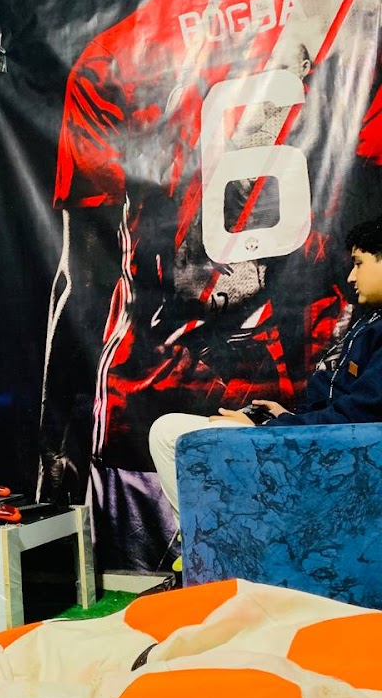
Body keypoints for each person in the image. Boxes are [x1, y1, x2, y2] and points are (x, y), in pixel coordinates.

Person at [39, 0, 382, 571]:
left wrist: (53, 441)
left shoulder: (111, 58)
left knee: (174, 595)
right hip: (311, 394)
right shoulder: (351, 10)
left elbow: (82, 279)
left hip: (155, 395)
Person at [149, 215, 382, 521]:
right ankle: (219, 540)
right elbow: (340, 409)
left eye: (359, 264)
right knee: (170, 431)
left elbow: (358, 419)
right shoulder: (369, 322)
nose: (351, 277)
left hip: (334, 458)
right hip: (317, 443)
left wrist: (273, 428)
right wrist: (285, 417)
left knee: (168, 434)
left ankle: (218, 542)